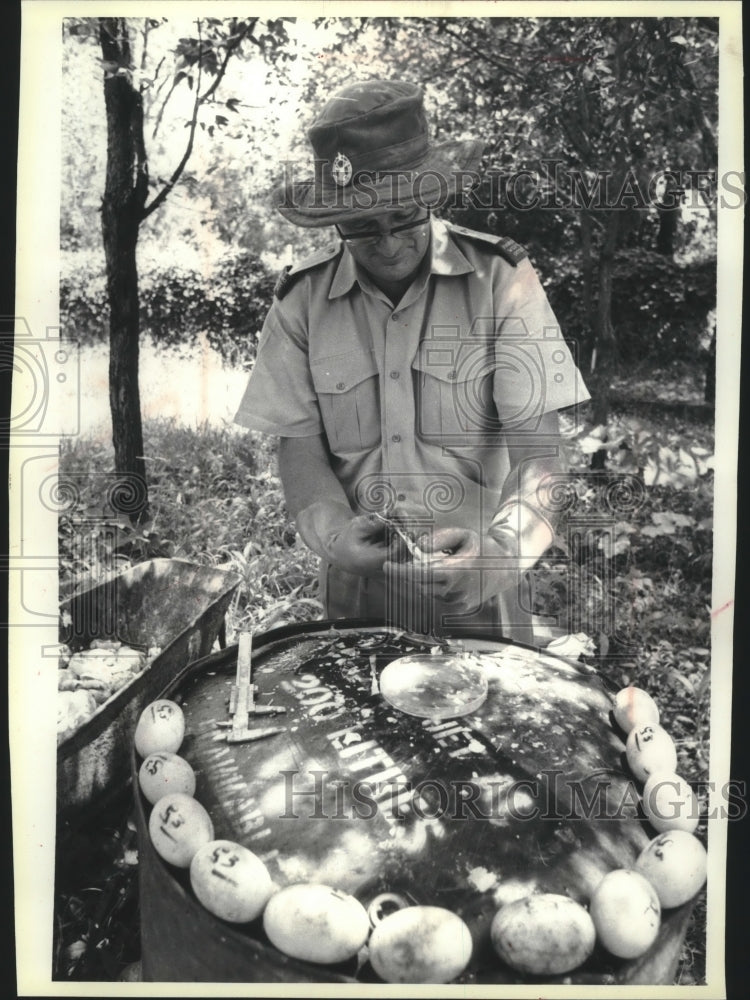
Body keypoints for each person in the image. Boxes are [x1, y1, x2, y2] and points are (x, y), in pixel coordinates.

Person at [235, 79, 590, 643]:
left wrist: (495, 557)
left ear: (431, 197)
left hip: (481, 599)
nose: (389, 243)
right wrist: (333, 537)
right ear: (335, 219)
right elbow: (299, 452)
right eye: (360, 226)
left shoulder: (500, 281)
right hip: (356, 602)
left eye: (403, 217)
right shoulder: (301, 302)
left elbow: (540, 457)